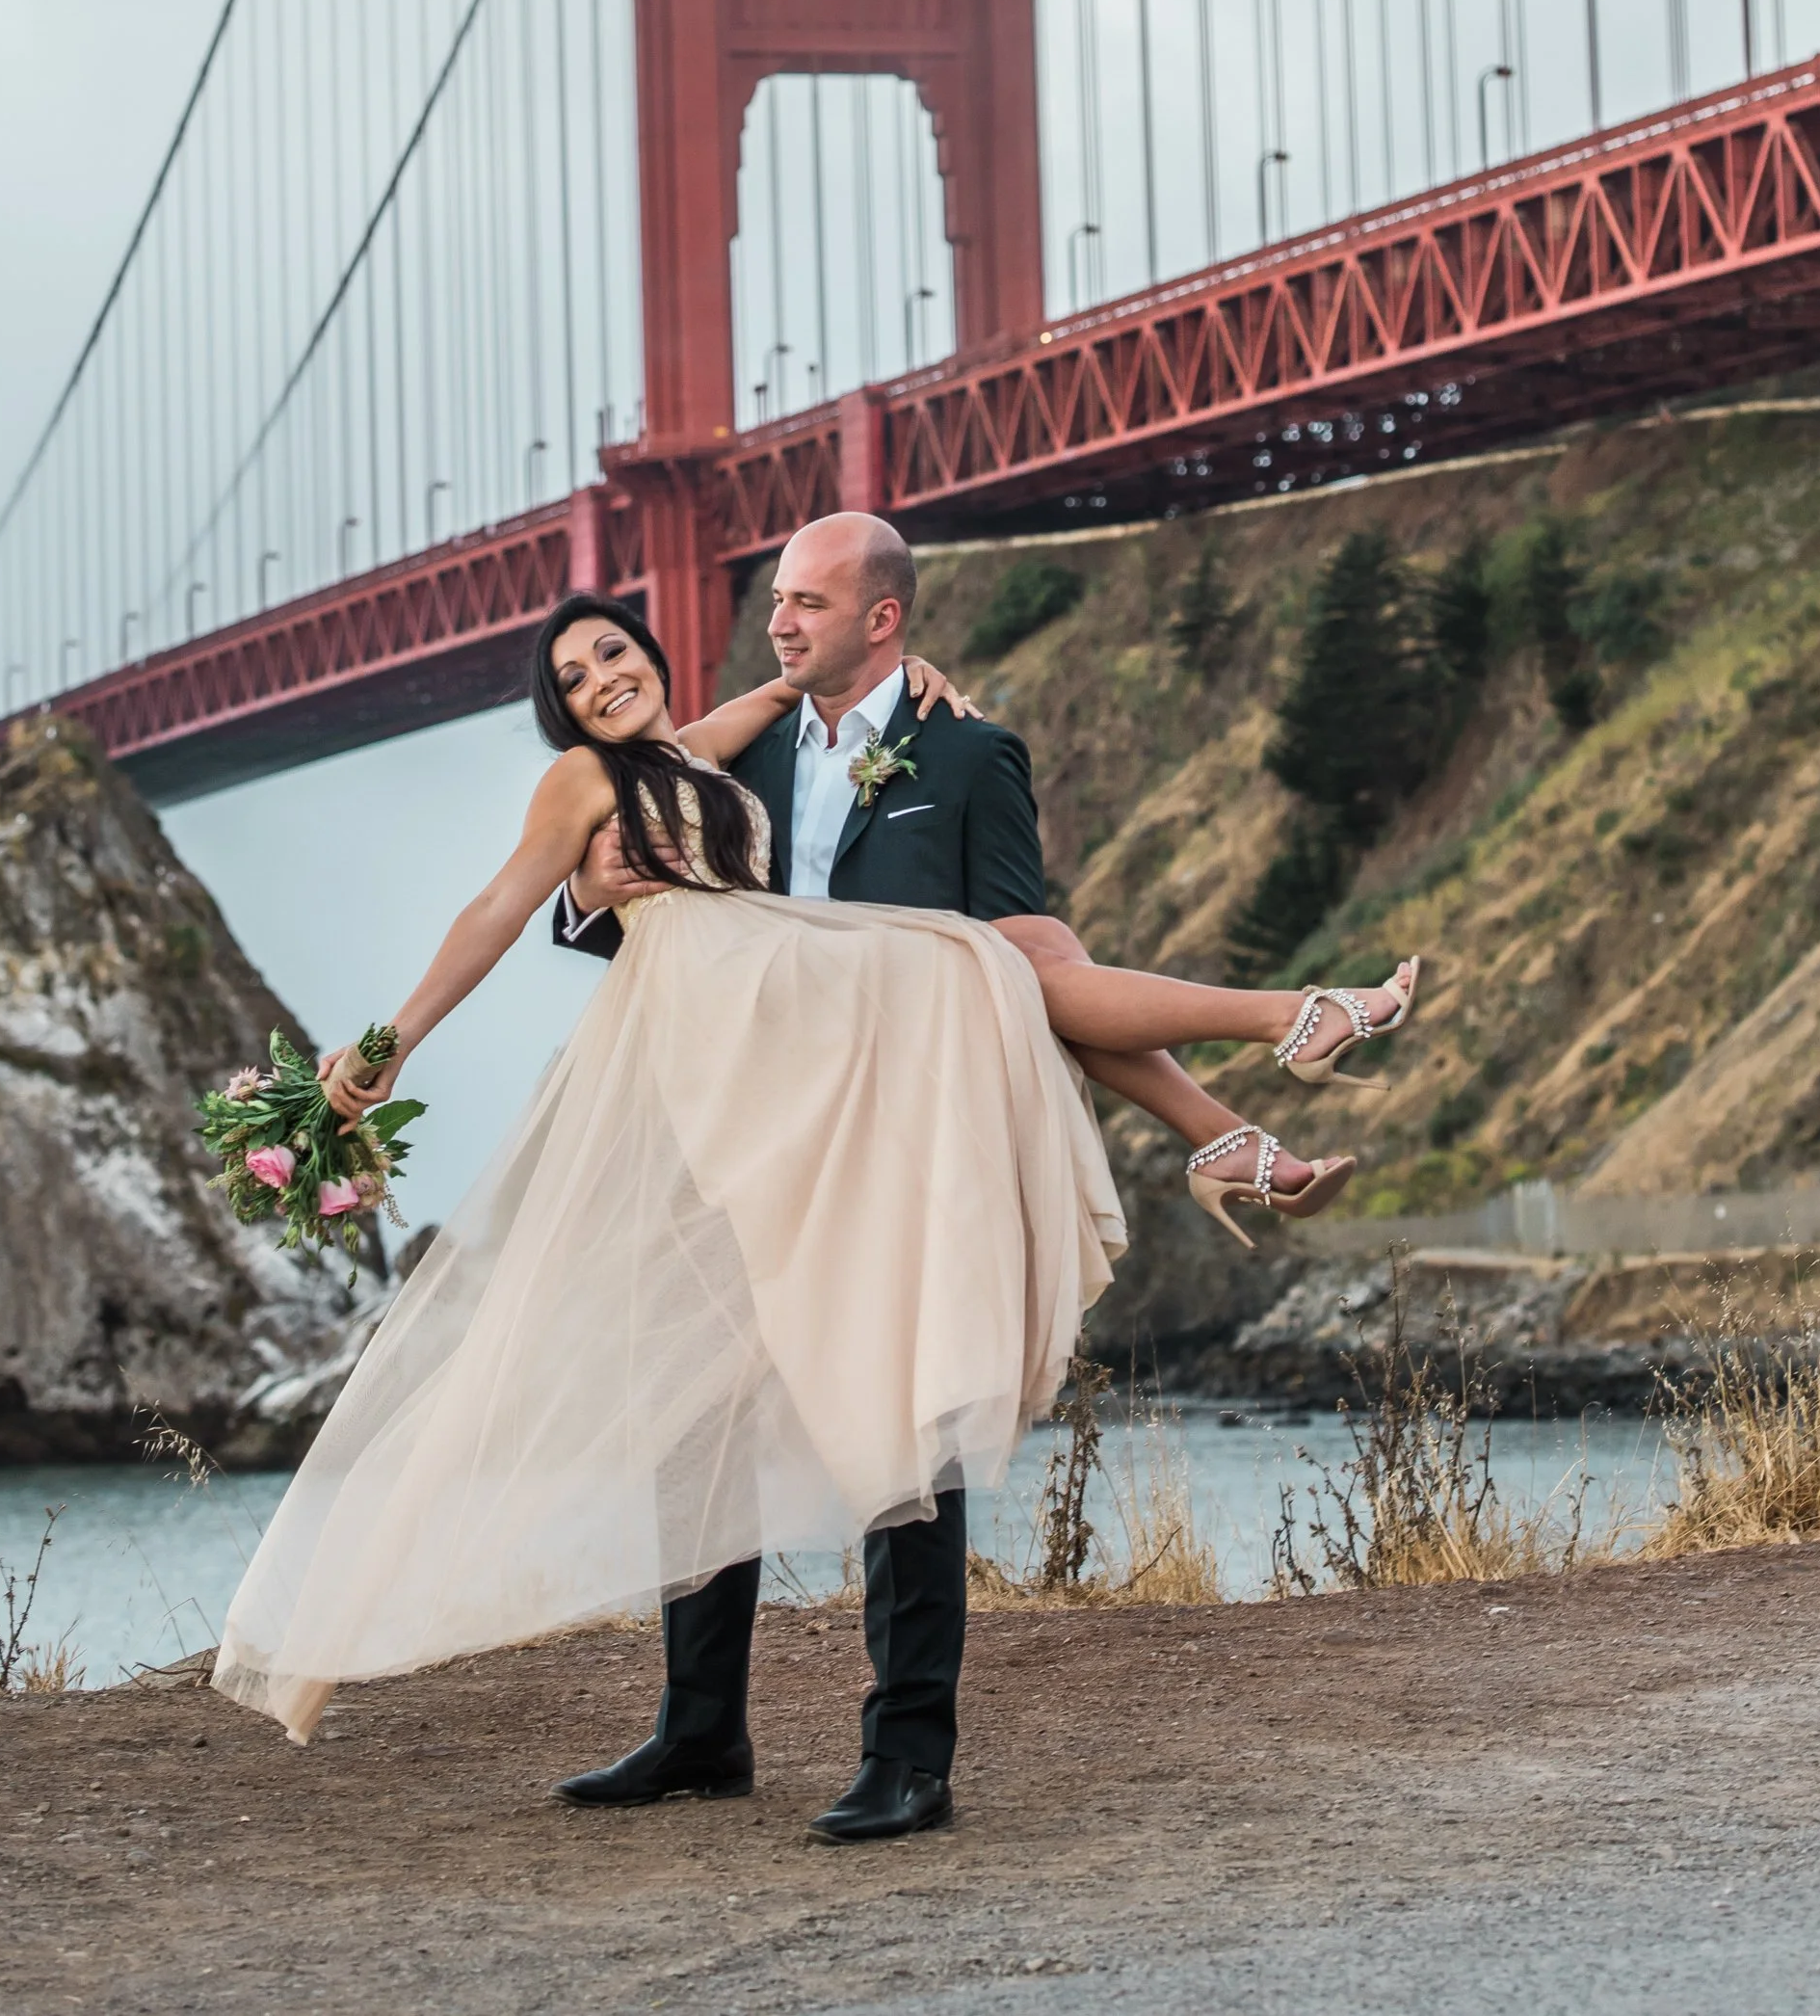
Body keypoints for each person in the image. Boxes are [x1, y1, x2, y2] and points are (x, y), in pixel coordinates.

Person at [209, 516, 1418, 1842]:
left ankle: (909, 1751)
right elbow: (533, 898)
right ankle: (699, 1727)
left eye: (615, 649)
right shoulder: (709, 764)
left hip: (887, 1128)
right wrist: (398, 1034)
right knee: (690, 1418)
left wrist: (889, 676)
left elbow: (1028, 966)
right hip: (728, 1123)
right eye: (576, 678)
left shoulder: (940, 749)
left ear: (879, 617)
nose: (606, 675)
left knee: (918, 1407)